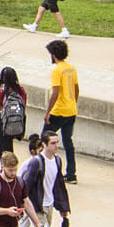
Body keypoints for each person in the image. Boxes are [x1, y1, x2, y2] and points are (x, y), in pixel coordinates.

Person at [16, 130, 70, 227]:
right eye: (53, 143)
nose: (56, 146)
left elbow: (58, 185)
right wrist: (23, 206)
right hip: (36, 206)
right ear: (44, 144)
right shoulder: (36, 163)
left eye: (57, 142)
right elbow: (26, 186)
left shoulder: (57, 160)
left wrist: (63, 208)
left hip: (49, 205)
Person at [41, 40, 79, 183]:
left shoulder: (57, 70)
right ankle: (71, 174)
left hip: (58, 111)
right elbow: (76, 89)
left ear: (54, 55)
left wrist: (48, 112)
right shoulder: (71, 68)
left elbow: (55, 92)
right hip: (71, 110)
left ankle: (43, 170)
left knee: (43, 139)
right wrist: (72, 103)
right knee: (68, 142)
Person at [0, 66, 29, 154]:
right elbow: (23, 105)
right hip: (17, 121)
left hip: (3, 123)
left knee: (4, 149)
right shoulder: (21, 91)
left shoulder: (1, 92)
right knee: (9, 147)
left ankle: (6, 166)